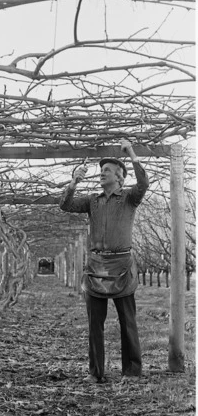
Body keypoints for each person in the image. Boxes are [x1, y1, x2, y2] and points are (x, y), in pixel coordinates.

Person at [59, 139, 149, 384]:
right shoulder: (92, 201)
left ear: (120, 178)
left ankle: (131, 371)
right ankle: (95, 372)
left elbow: (143, 184)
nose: (101, 175)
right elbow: (65, 205)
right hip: (96, 266)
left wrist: (131, 152)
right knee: (94, 324)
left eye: (106, 171)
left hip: (122, 266)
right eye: (101, 172)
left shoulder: (130, 198)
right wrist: (74, 181)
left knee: (127, 321)